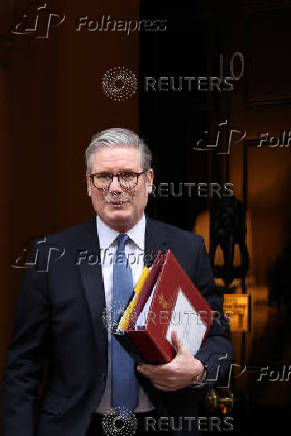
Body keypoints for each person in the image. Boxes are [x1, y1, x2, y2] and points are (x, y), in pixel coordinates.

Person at [3, 128, 233, 436]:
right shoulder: (50, 255)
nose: (115, 188)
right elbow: (23, 366)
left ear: (149, 181)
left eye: (127, 175)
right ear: (88, 184)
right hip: (78, 427)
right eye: (103, 177)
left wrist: (199, 370)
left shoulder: (188, 249)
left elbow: (219, 338)